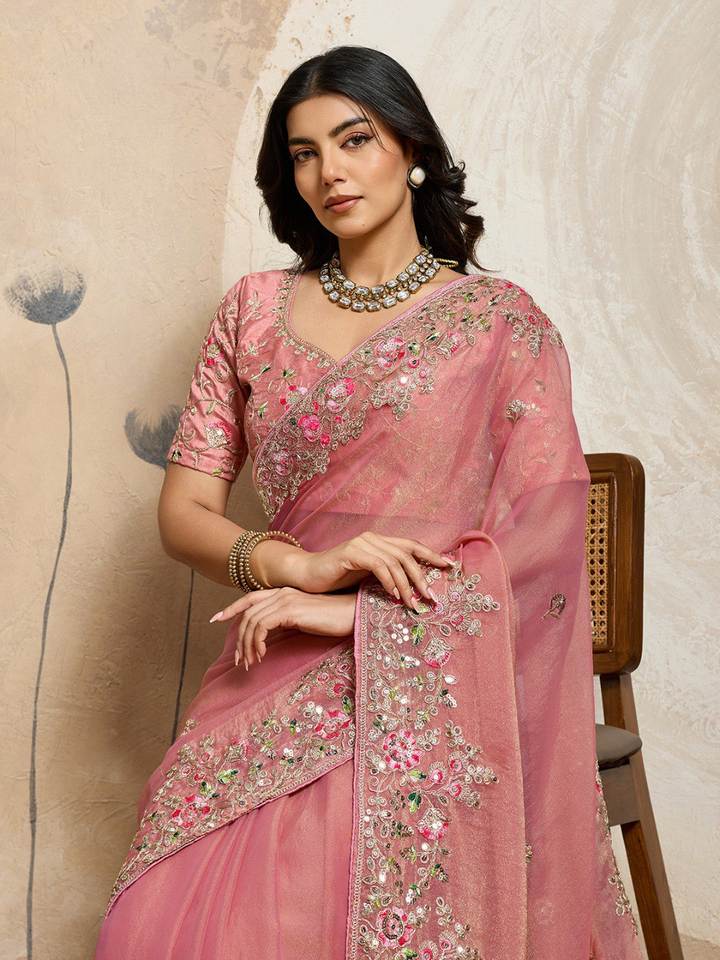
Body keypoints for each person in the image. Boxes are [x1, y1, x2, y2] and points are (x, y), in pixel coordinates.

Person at [94, 44, 643, 960]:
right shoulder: (252, 311)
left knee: (322, 884)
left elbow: (544, 547)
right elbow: (183, 514)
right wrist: (303, 570)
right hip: (275, 643)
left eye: (355, 140)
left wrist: (360, 616)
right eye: (304, 153)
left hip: (435, 658)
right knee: (147, 923)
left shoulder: (501, 324)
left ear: (411, 148)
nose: (330, 173)